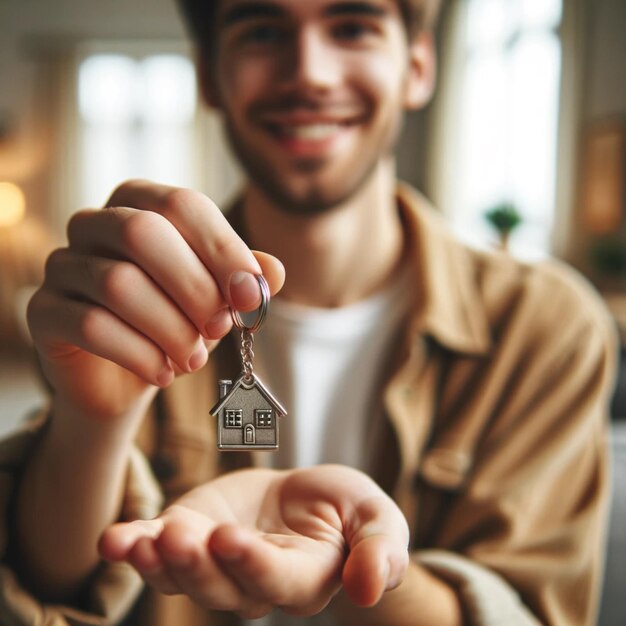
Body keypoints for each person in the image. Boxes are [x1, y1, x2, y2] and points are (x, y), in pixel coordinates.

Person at [0, 0, 618, 624]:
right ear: (210, 76)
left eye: (352, 26)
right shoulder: (134, 304)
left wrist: (357, 565)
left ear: (418, 65)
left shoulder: (545, 326)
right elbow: (49, 591)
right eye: (263, 30)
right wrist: (89, 424)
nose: (310, 73)